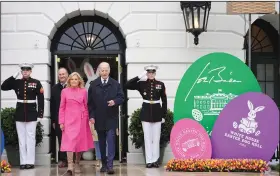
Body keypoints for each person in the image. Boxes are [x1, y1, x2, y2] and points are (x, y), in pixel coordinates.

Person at [1, 63, 44, 170]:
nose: (25, 71)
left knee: (30, 138)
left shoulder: (36, 83)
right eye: (23, 70)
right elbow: (3, 87)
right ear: (21, 71)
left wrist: (40, 114)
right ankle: (23, 162)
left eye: (27, 70)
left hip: (31, 112)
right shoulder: (17, 82)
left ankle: (30, 161)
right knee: (21, 139)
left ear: (30, 71)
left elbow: (41, 99)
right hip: (20, 112)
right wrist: (13, 76)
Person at [125, 65, 167, 168]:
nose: (151, 74)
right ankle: (149, 161)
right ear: (146, 73)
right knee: (147, 138)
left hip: (157, 112)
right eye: (149, 72)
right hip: (146, 112)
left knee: (156, 138)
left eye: (153, 72)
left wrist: (163, 115)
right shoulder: (141, 84)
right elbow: (127, 85)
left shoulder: (160, 84)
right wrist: (139, 76)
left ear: (155, 73)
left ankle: (155, 160)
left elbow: (164, 101)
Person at [87, 62, 124, 174]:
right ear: (99, 71)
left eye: (106, 70)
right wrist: (92, 117)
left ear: (109, 71)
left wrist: (115, 102)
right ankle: (103, 164)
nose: (104, 72)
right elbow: (90, 104)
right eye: (102, 70)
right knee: (102, 142)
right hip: (99, 118)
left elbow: (121, 97)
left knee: (111, 140)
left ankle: (110, 165)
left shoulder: (115, 84)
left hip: (111, 118)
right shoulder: (93, 85)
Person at [59, 72, 94, 175]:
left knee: (79, 142)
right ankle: (70, 165)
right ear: (69, 81)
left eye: (76, 79)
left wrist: (87, 119)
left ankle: (77, 163)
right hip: (68, 120)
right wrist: (61, 122)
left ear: (79, 81)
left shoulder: (83, 91)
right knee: (69, 142)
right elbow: (62, 107)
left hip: (81, 120)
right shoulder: (64, 91)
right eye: (72, 79)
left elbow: (86, 106)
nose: (74, 81)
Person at [50, 67, 69, 168]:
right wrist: (53, 120)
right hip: (59, 119)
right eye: (60, 74)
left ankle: (72, 159)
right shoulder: (54, 88)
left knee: (71, 139)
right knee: (61, 140)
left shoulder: (72, 86)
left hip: (71, 118)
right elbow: (52, 105)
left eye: (63, 74)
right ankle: (63, 160)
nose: (62, 76)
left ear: (67, 75)